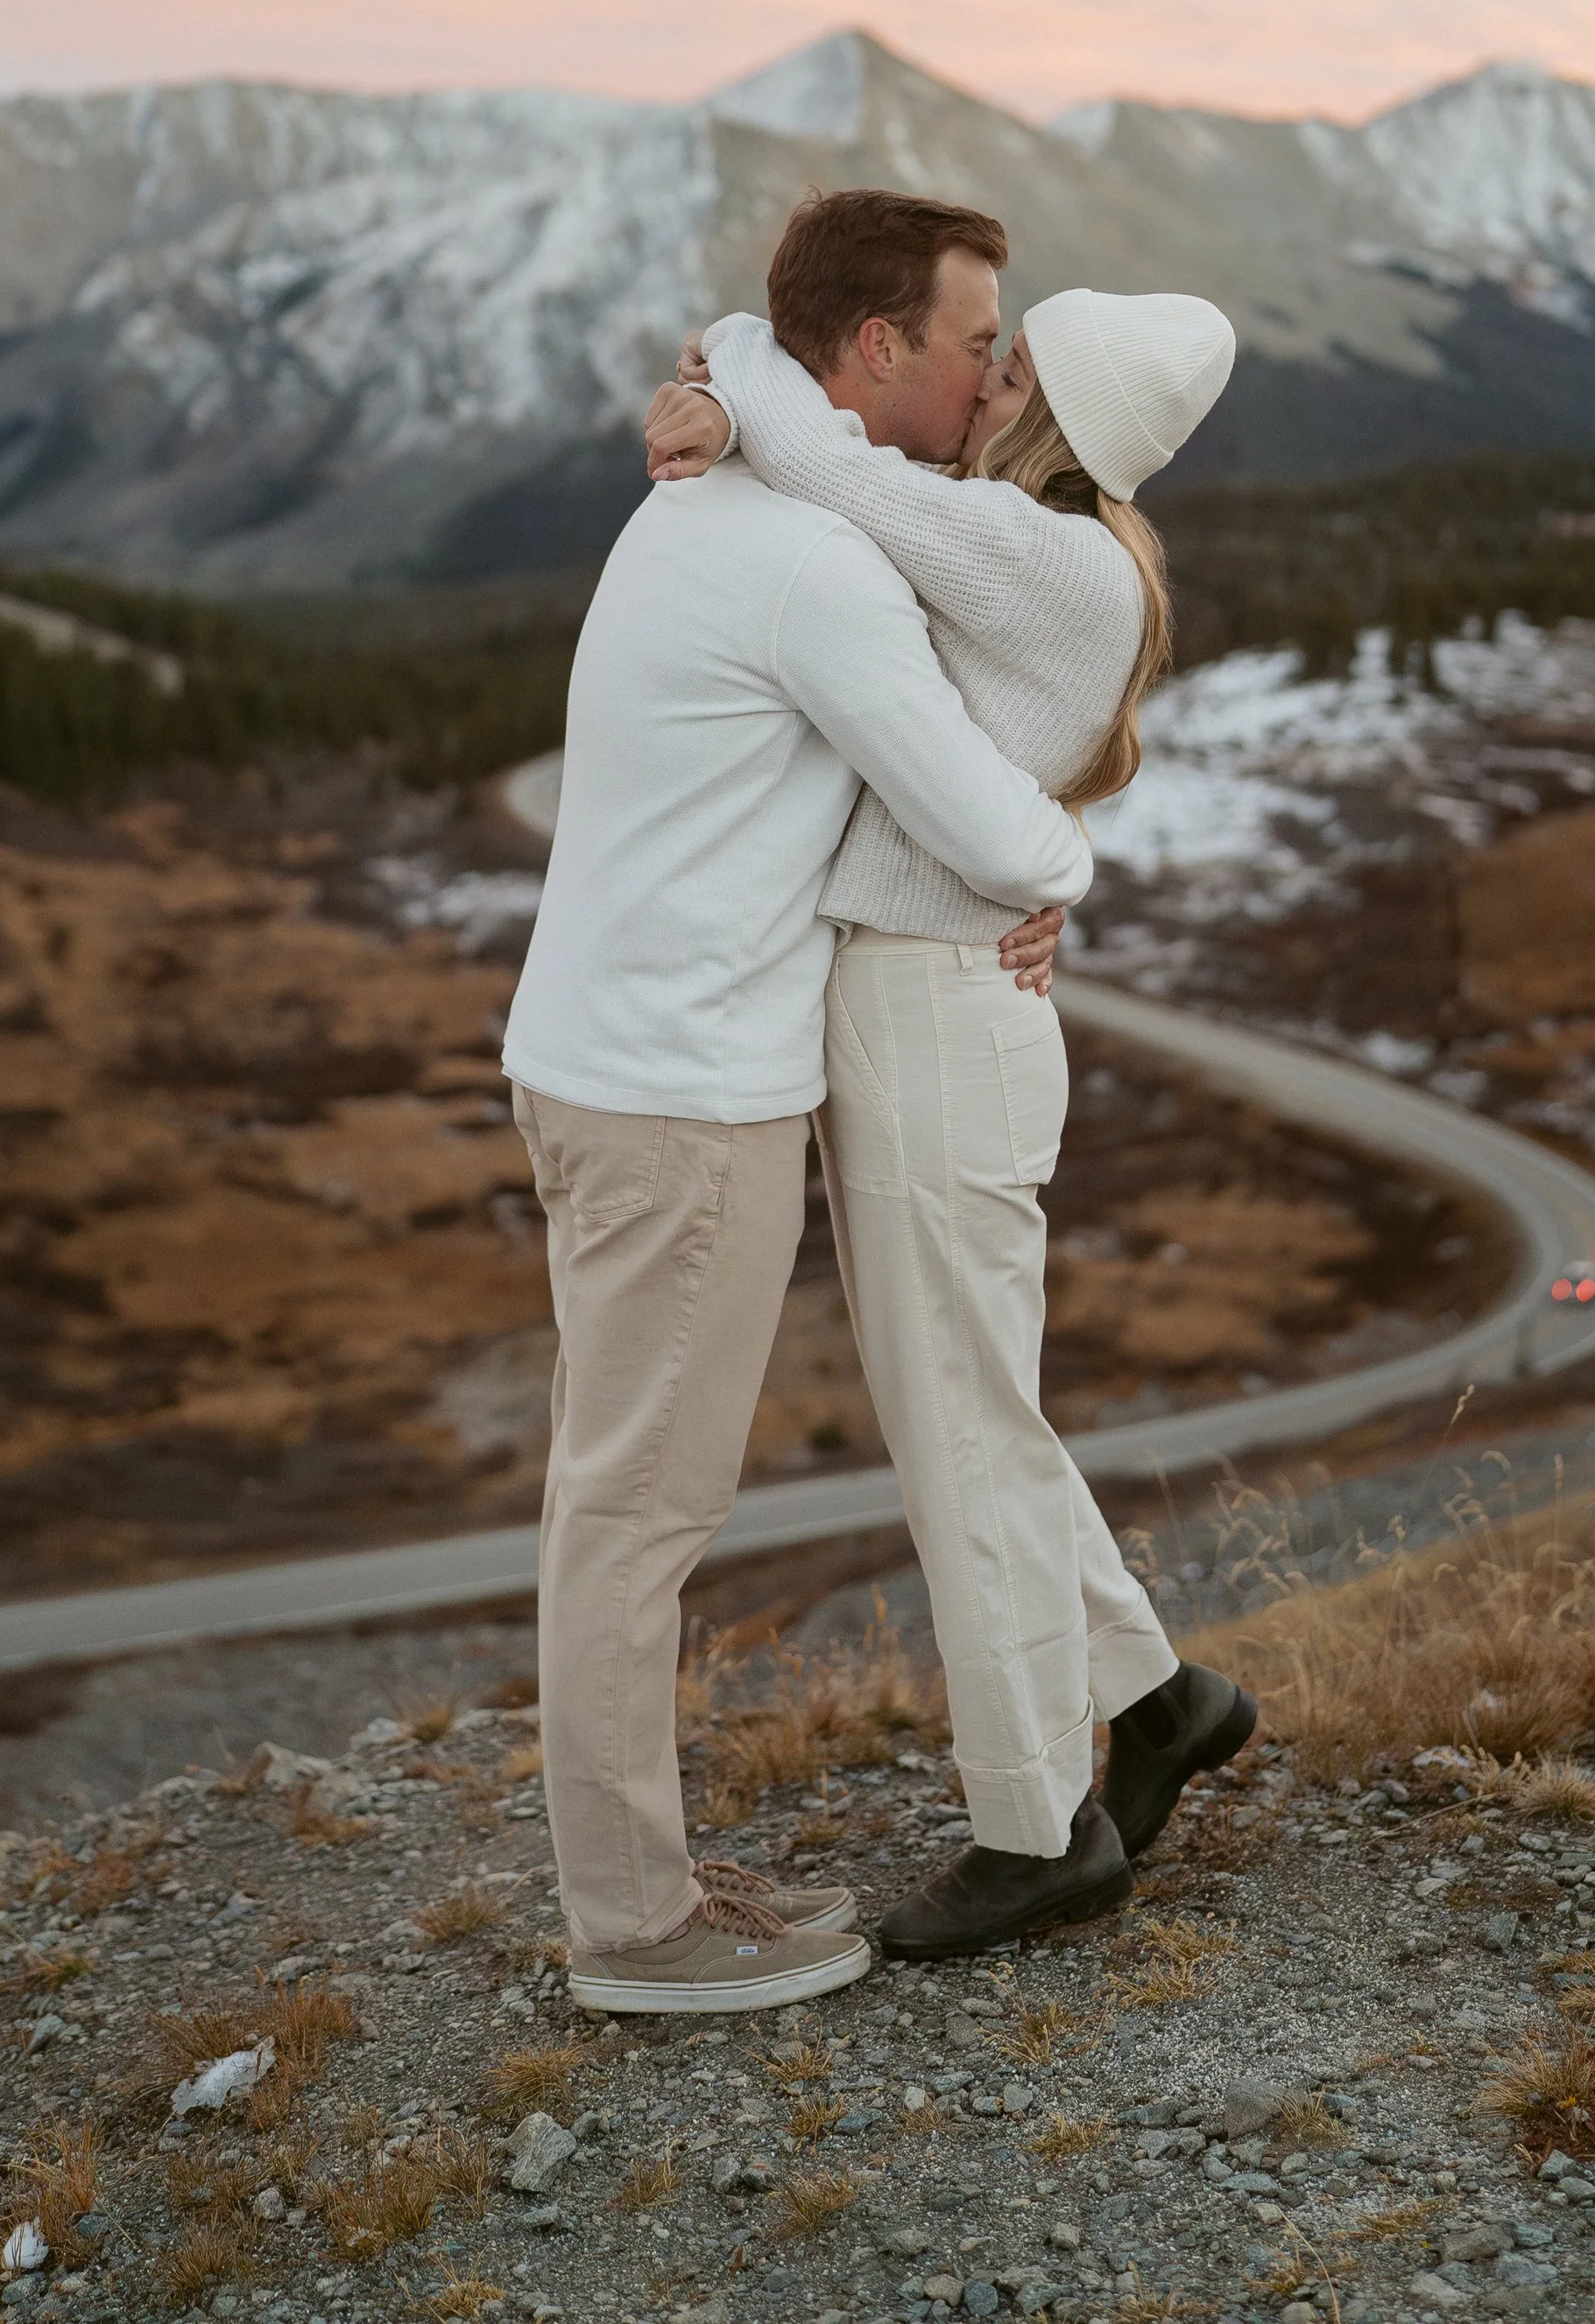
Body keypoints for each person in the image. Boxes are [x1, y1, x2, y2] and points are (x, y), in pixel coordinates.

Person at [502, 188, 1091, 2018]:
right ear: (873, 352)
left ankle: (644, 1879)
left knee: (628, 1494)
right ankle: (634, 1933)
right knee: (636, 1512)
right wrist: (1051, 872)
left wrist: (731, 376)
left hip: (617, 1061)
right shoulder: (810, 566)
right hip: (681, 1096)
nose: (1001, 366)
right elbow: (977, 813)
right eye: (975, 335)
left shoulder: (710, 502)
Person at [643, 265, 1258, 1959]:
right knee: (980, 1409)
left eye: (1010, 369)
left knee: (959, 1438)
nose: (976, 383)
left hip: (934, 1022)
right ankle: (1156, 1698)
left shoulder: (1051, 550)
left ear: (1062, 413)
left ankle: (1033, 1826)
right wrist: (728, 374)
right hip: (924, 1007)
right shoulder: (1048, 550)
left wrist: (738, 358)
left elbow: (840, 469)